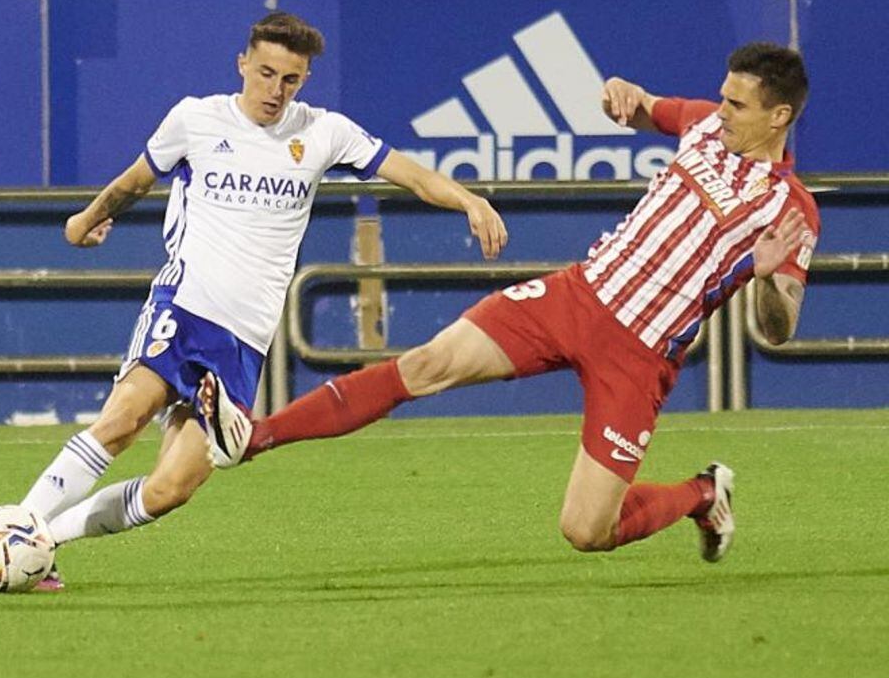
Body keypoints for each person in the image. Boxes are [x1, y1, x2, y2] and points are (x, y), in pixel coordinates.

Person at [0, 11, 508, 592]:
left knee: (171, 488)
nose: (275, 89)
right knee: (121, 420)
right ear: (243, 64)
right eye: (265, 73)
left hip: (243, 344)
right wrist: (86, 219)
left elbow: (410, 174)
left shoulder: (324, 132)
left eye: (290, 79)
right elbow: (137, 180)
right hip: (184, 308)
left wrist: (471, 202)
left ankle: (41, 547)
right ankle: (9, 539)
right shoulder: (195, 119)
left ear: (304, 80)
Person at [211, 42, 820, 563]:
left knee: (587, 531)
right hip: (575, 296)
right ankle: (254, 437)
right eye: (723, 97)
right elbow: (644, 109)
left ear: (779, 116)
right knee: (426, 365)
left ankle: (703, 495)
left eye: (738, 105)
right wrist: (625, 96)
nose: (723, 111)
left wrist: (765, 281)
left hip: (639, 355)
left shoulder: (791, 211)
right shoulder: (705, 124)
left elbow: (779, 329)